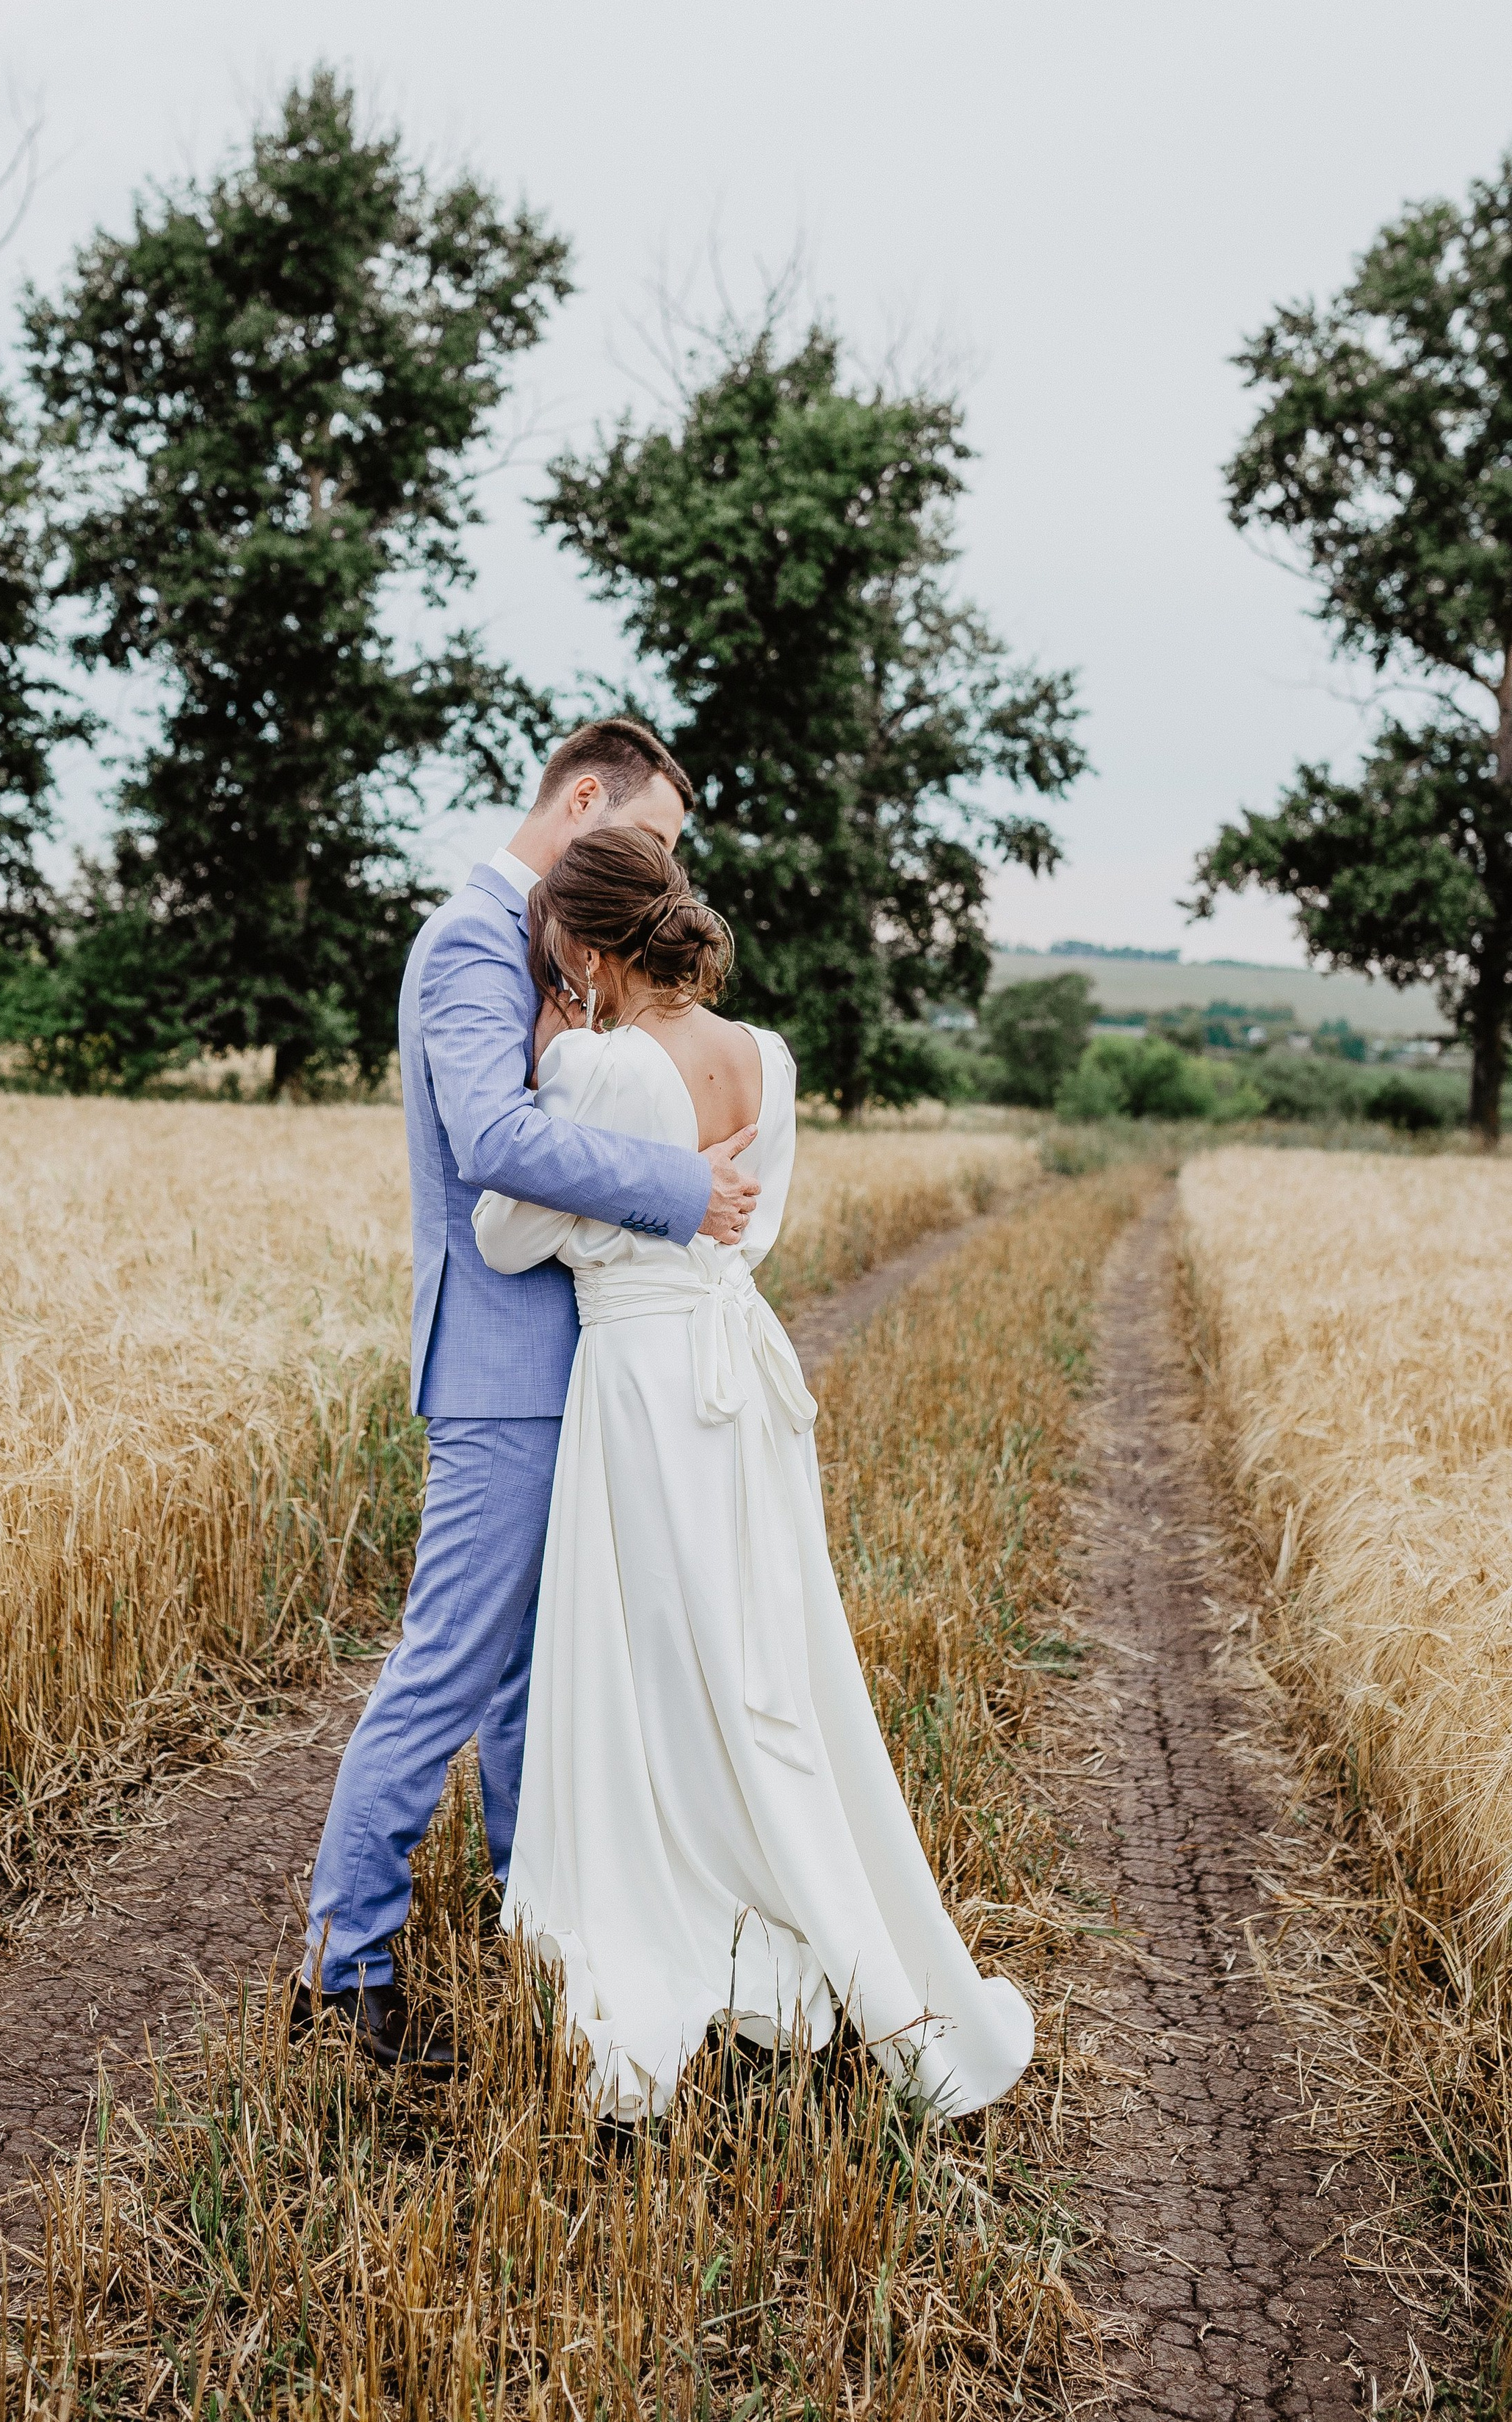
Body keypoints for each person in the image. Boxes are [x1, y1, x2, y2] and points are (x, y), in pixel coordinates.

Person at [473, 825, 1035, 2124]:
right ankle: (797, 1903)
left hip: (642, 1382)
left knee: (654, 1652)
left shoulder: (596, 1068)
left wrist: (565, 1086)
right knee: (755, 1647)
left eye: (556, 942)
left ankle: (690, 1893)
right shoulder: (766, 1060)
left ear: (586, 947)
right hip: (737, 1373)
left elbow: (505, 1234)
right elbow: (750, 1225)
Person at [294, 720, 764, 2072]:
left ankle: (540, 1927)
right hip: (503, 1373)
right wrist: (681, 1187)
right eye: (652, 840)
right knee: (447, 1666)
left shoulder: (554, 952)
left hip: (572, 1366)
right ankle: (344, 1969)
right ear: (584, 798)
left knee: (531, 1682)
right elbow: (491, 1138)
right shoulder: (468, 941)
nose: (662, 877)